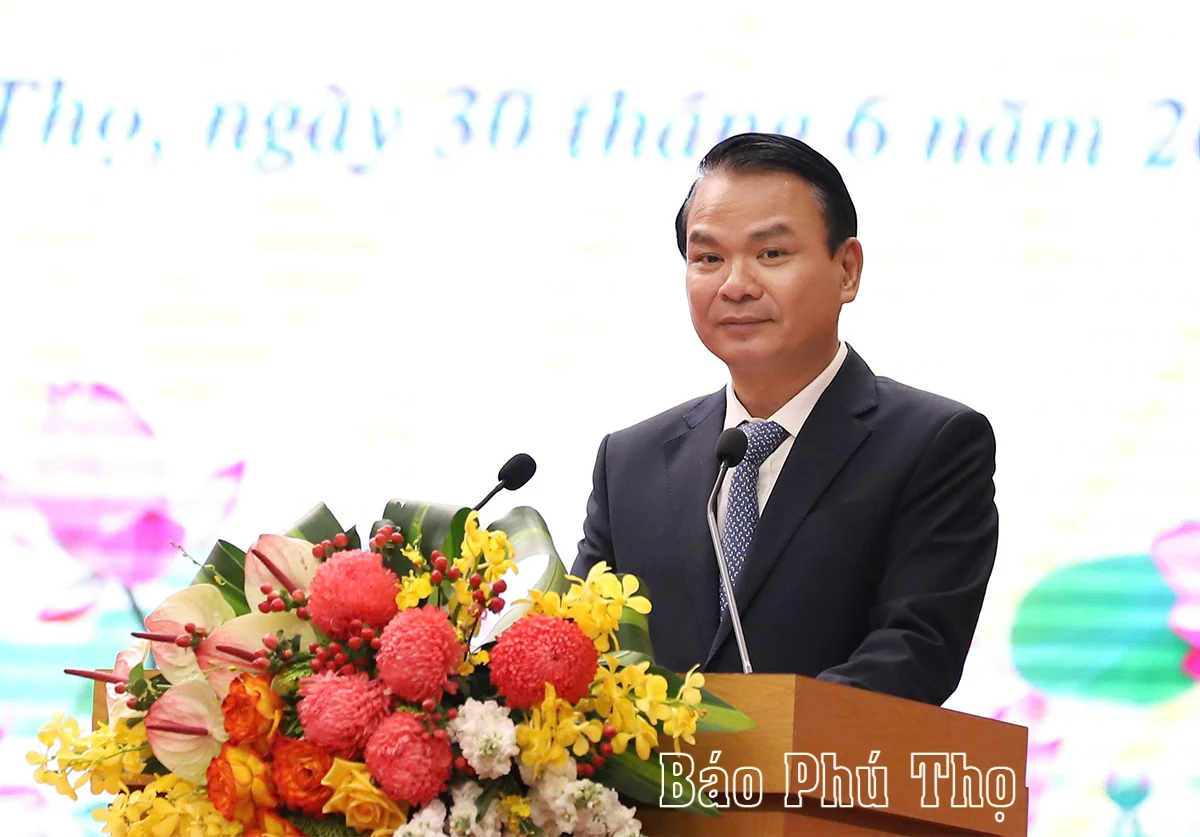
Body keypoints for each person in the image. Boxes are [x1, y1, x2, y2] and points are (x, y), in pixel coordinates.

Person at [571, 133, 998, 706]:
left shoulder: (933, 444)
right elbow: (580, 647)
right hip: (655, 795)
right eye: (708, 258)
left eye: (771, 254)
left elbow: (914, 651)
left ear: (847, 270)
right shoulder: (631, 461)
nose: (736, 285)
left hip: (829, 788)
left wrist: (747, 743)